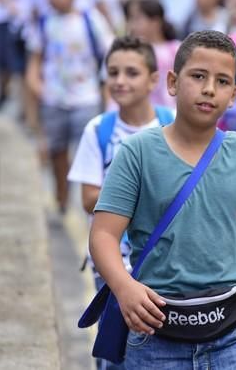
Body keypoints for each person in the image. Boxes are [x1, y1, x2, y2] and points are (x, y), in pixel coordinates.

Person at [89, 30, 236, 368]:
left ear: (234, 95)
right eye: (198, 76)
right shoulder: (137, 152)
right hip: (155, 329)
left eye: (222, 81)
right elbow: (103, 234)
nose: (209, 89)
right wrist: (124, 287)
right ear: (172, 82)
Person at [68, 36, 174, 370]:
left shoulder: (173, 123)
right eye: (113, 72)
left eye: (131, 72)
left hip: (167, 260)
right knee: (116, 349)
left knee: (163, 346)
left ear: (154, 80)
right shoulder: (99, 129)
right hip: (115, 263)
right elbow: (88, 199)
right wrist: (145, 192)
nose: (120, 81)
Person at [25, 0, 113, 213]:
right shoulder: (44, 22)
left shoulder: (90, 20)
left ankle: (88, 202)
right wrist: (36, 85)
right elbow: (35, 59)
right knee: (57, 151)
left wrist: (107, 91)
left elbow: (109, 54)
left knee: (89, 152)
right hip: (54, 97)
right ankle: (62, 197)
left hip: (86, 96)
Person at [124, 0, 180, 109]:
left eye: (138, 19)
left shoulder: (176, 48)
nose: (133, 25)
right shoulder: (133, 51)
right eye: (132, 19)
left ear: (155, 22)